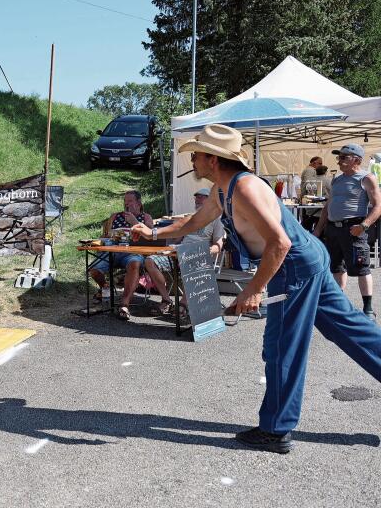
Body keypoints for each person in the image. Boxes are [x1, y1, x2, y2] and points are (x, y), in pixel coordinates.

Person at [131, 124, 381, 454]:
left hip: (292, 264)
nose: (192, 158)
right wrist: (153, 233)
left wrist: (252, 289)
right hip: (305, 258)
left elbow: (280, 242)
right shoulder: (223, 190)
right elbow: (192, 223)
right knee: (348, 329)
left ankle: (276, 430)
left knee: (281, 346)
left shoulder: (243, 189)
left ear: (214, 159)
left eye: (197, 153)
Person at [313, 144, 381, 318]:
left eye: (344, 157)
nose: (339, 160)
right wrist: (319, 229)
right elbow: (328, 205)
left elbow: (377, 206)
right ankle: (339, 303)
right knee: (336, 267)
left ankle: (368, 308)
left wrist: (363, 226)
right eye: (339, 157)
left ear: (356, 160)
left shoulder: (366, 178)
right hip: (333, 229)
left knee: (361, 268)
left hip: (354, 228)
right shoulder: (337, 179)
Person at [143, 187, 224, 315]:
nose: (197, 199)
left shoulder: (217, 219)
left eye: (201, 197)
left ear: (210, 201)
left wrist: (204, 251)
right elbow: (177, 239)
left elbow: (218, 245)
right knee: (150, 261)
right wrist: (172, 239)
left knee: (191, 261)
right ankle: (166, 300)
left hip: (199, 255)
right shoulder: (191, 218)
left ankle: (184, 303)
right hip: (180, 251)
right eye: (197, 197)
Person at [89, 190, 153, 321]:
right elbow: (105, 235)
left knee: (134, 264)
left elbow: (150, 237)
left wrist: (134, 221)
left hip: (133, 252)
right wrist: (108, 237)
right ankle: (106, 288)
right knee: (94, 270)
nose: (126, 204)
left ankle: (124, 303)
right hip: (112, 250)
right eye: (125, 201)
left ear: (139, 203)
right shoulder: (116, 216)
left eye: (130, 201)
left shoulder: (145, 217)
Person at [300, 165, 332, 233]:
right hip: (322, 210)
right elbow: (332, 194)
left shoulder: (309, 181)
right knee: (320, 232)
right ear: (326, 172)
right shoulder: (328, 180)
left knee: (307, 230)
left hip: (309, 210)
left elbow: (302, 194)